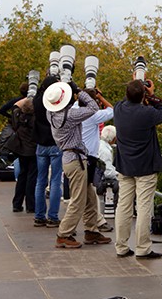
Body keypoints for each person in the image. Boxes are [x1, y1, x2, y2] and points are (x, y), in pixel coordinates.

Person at [44, 81, 111, 249]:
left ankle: (91, 230)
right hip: (76, 161)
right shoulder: (70, 116)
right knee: (78, 201)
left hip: (72, 158)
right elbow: (93, 108)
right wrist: (79, 91)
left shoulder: (51, 114)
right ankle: (64, 234)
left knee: (90, 197)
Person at [113, 78, 162, 259]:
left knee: (123, 206)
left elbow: (123, 100)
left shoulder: (119, 110)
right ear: (143, 95)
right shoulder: (147, 113)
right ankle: (142, 247)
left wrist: (136, 87)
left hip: (125, 166)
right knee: (143, 207)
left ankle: (121, 246)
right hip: (145, 166)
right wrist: (152, 96)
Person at [81, 87, 115, 232]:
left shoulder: (75, 110)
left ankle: (94, 226)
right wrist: (100, 98)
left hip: (77, 157)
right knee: (80, 198)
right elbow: (113, 110)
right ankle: (66, 231)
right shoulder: (93, 115)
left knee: (89, 195)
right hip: (88, 158)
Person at [33, 73, 63, 227]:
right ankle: (53, 216)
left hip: (40, 144)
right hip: (55, 143)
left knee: (40, 181)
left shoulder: (37, 100)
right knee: (56, 181)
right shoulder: (56, 102)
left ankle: (39, 215)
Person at [9, 95, 38, 213]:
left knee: (22, 176)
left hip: (21, 150)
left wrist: (26, 99)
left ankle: (17, 203)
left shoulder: (18, 118)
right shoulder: (35, 120)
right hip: (32, 150)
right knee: (32, 178)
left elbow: (15, 106)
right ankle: (30, 205)